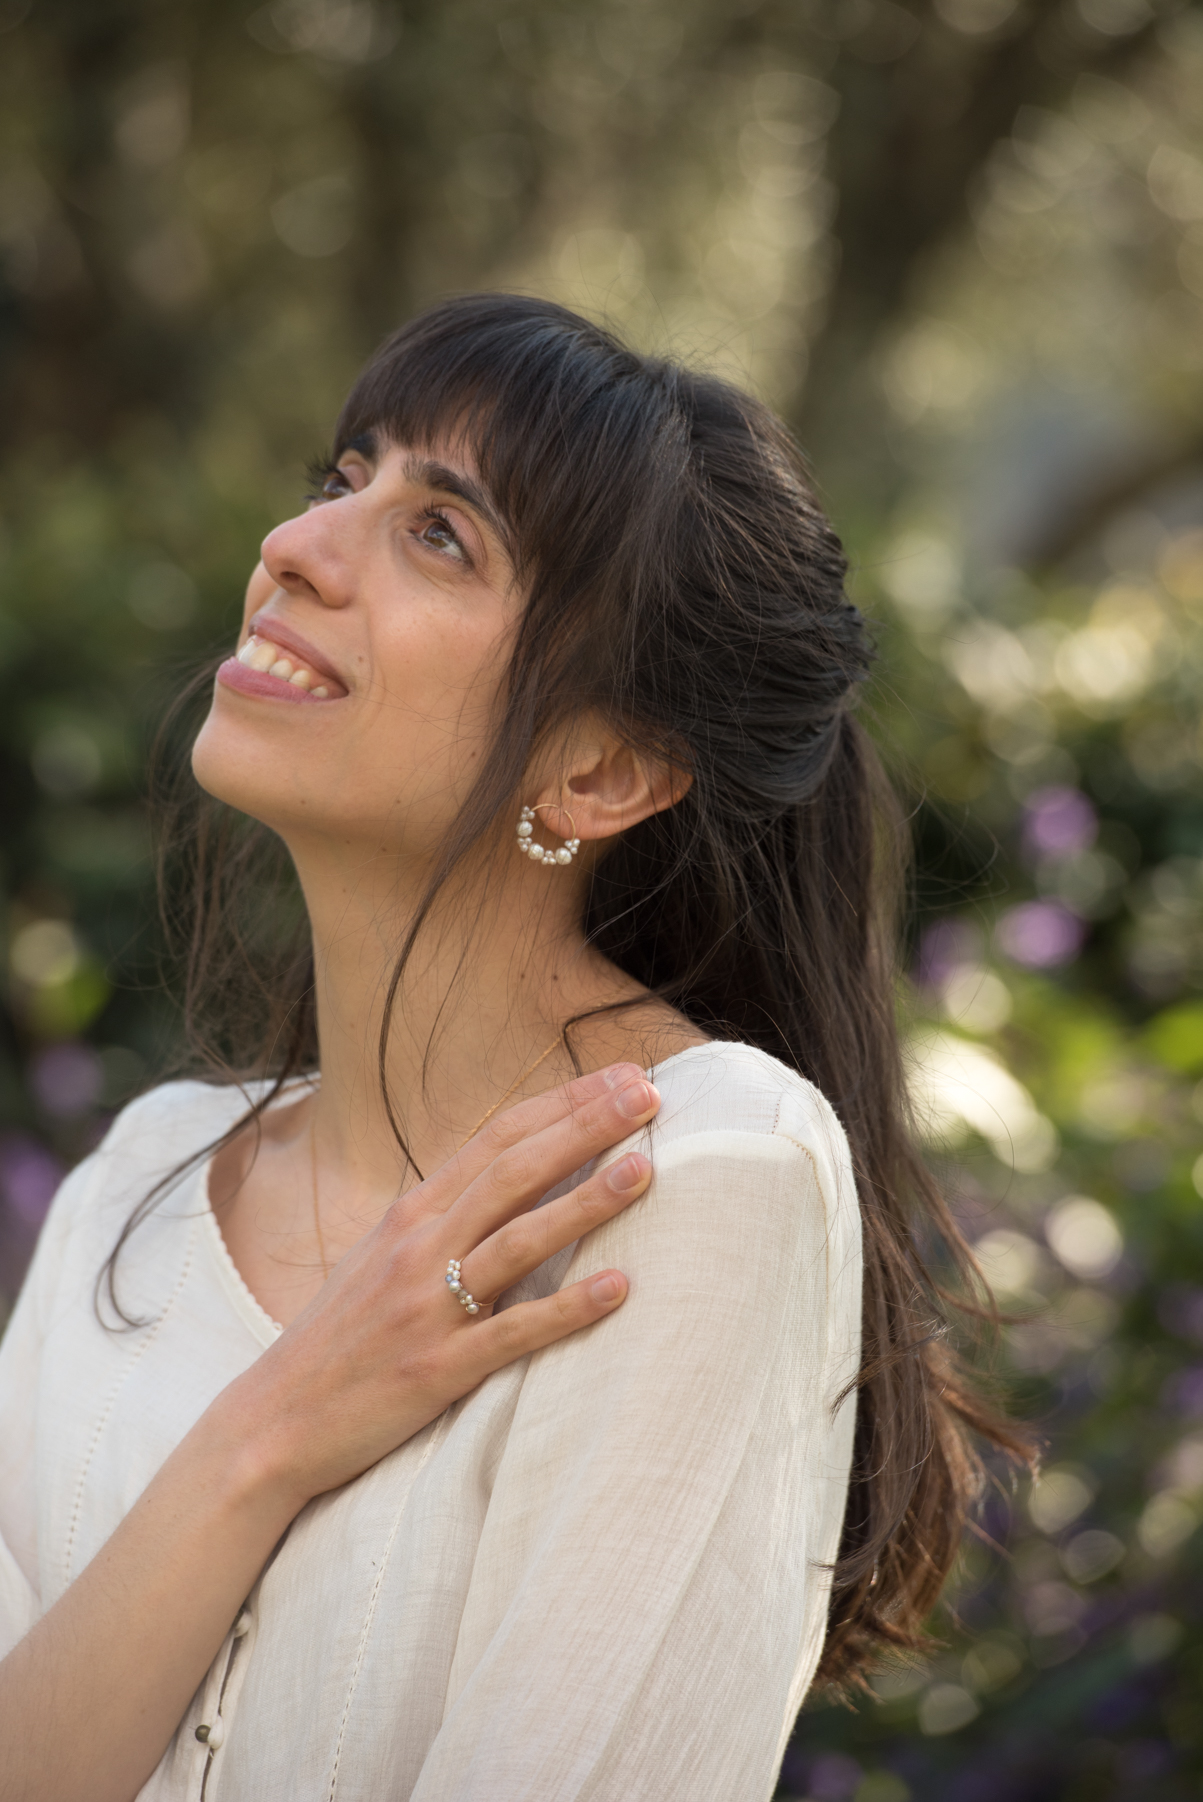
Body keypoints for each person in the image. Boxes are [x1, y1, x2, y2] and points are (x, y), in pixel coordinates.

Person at [0, 294, 1021, 1801]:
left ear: (603, 766)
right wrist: (270, 1434)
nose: (296, 544)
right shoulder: (134, 1189)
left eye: (441, 535)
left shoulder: (699, 1175)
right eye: (343, 477)